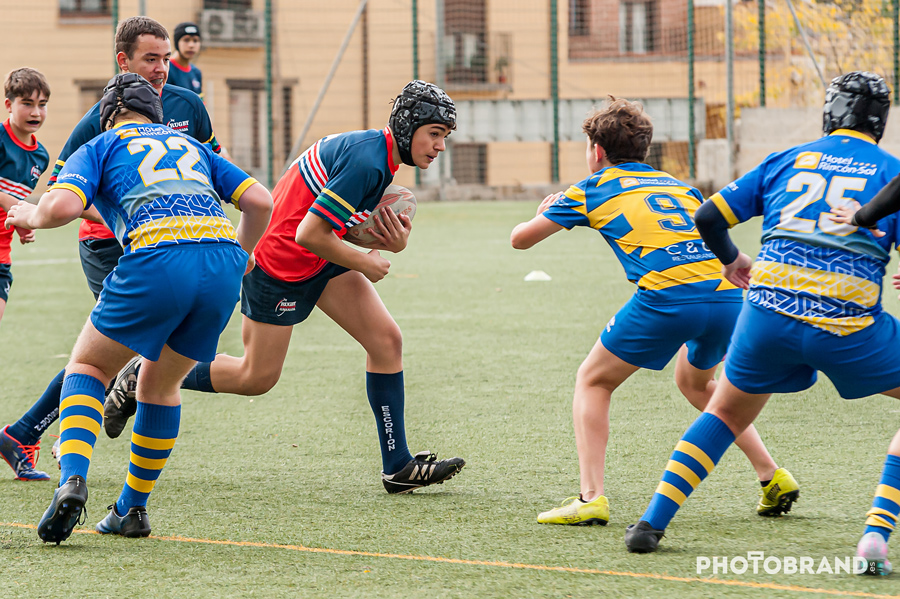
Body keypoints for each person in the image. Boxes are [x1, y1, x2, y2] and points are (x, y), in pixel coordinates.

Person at [106, 80, 466, 494]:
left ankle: (397, 466)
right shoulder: (368, 160)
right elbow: (308, 233)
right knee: (255, 377)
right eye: (434, 133)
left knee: (386, 341)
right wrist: (366, 262)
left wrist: (389, 242)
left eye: (445, 136)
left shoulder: (377, 156)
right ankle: (142, 373)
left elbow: (333, 224)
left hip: (318, 257)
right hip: (278, 265)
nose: (440, 146)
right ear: (406, 126)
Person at [624, 72, 900, 578]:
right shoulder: (891, 171)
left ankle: (650, 524)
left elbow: (708, 217)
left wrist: (732, 260)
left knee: (726, 411)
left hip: (766, 316)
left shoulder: (786, 159)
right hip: (847, 325)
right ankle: (876, 535)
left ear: (829, 112)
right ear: (880, 120)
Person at [5, 72, 272, 544]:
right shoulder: (192, 146)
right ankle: (131, 510)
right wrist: (243, 255)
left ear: (108, 116)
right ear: (157, 115)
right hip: (221, 265)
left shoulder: (101, 144)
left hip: (157, 257)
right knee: (160, 385)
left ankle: (72, 478)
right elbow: (260, 201)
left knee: (88, 367)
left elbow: (61, 208)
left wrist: (30, 212)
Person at [509, 98, 796, 527]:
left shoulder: (589, 188)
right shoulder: (681, 187)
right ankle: (771, 475)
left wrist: (540, 213)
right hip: (728, 298)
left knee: (593, 380)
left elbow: (520, 240)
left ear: (596, 151)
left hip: (668, 298)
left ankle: (590, 497)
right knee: (697, 384)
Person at [0, 15, 225, 481]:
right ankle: (58, 431)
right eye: (150, 59)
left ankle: (28, 431)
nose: (161, 68)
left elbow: (214, 170)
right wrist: (129, 214)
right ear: (123, 61)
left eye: (166, 59)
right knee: (117, 350)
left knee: (125, 350)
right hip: (110, 245)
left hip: (177, 246)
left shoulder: (188, 104)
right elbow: (64, 195)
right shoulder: (98, 121)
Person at [0, 67, 51, 481]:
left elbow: (16, 202)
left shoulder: (40, 156)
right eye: (27, 103)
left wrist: (23, 224)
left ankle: (11, 441)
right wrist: (18, 210)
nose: (36, 111)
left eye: (42, 104)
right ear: (9, 105)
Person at [168, 22, 203, 99]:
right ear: (177, 43)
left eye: (195, 41)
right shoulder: (166, 68)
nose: (191, 45)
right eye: (186, 40)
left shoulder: (196, 72)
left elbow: (200, 101)